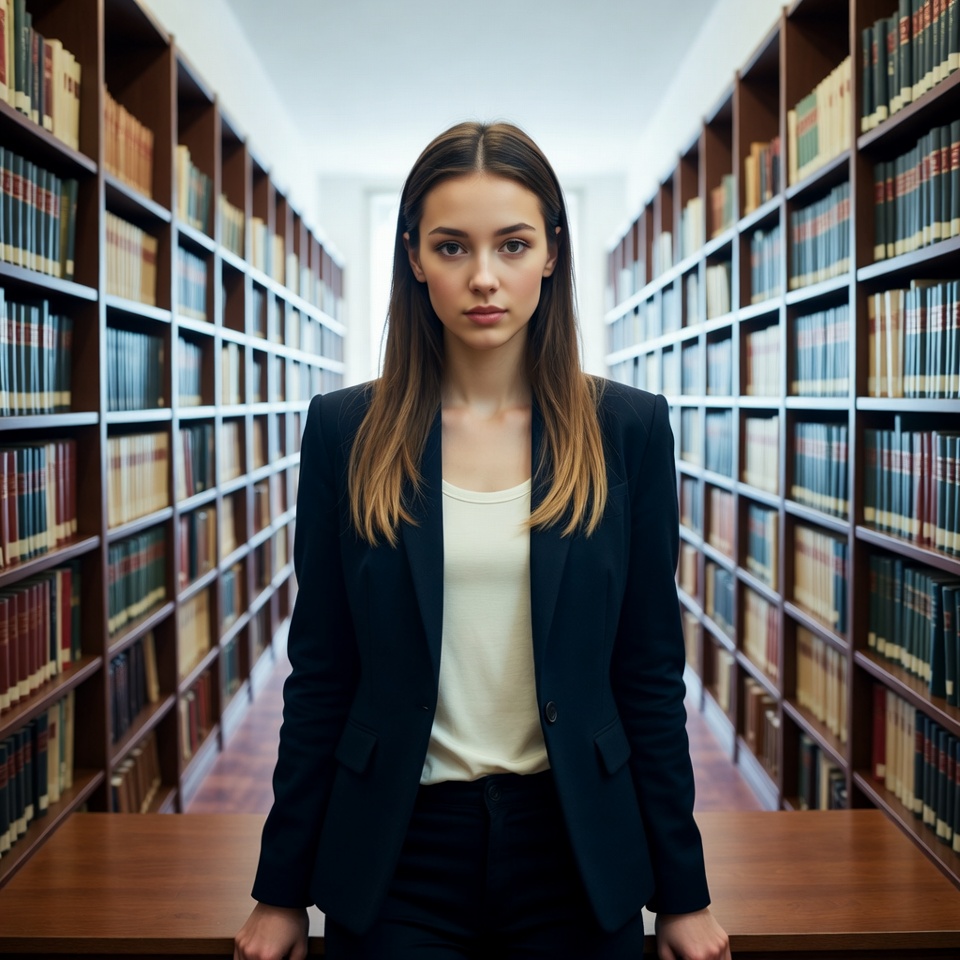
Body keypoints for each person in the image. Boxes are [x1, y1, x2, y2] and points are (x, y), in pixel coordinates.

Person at [234, 120, 731, 960]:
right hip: (399, 848)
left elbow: (648, 671)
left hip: (574, 844)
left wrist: (684, 893)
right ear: (415, 259)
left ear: (551, 254)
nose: (485, 277)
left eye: (512, 243)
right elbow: (320, 671)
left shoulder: (627, 430)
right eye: (453, 247)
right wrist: (279, 890)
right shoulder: (344, 432)